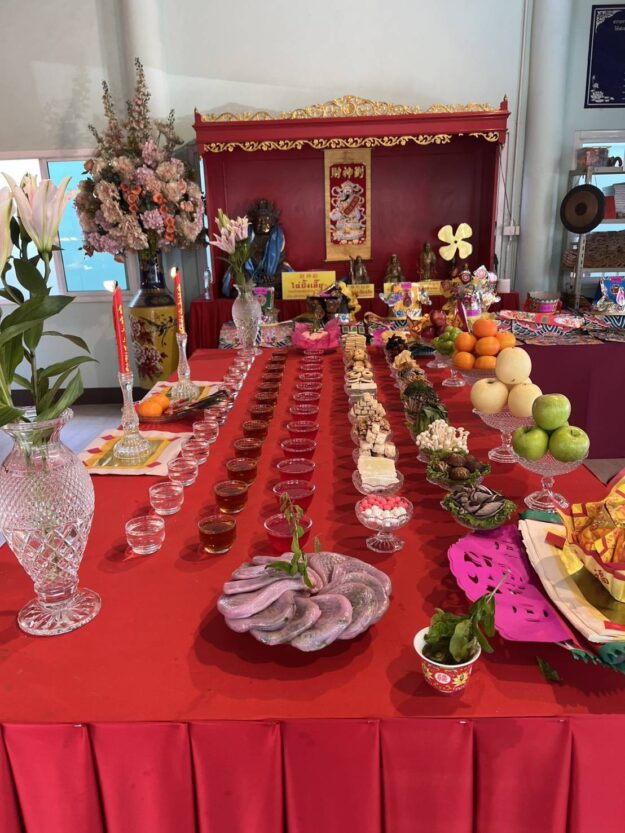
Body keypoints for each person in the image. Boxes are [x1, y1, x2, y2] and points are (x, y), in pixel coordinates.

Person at [222, 199, 292, 298]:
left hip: (271, 273)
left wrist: (271, 275)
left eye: (266, 220)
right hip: (250, 272)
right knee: (236, 272)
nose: (262, 223)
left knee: (285, 272)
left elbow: (280, 259)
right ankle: (257, 289)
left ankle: (258, 289)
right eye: (259, 221)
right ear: (253, 223)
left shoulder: (277, 237)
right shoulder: (246, 235)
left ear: (272, 223)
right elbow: (242, 259)